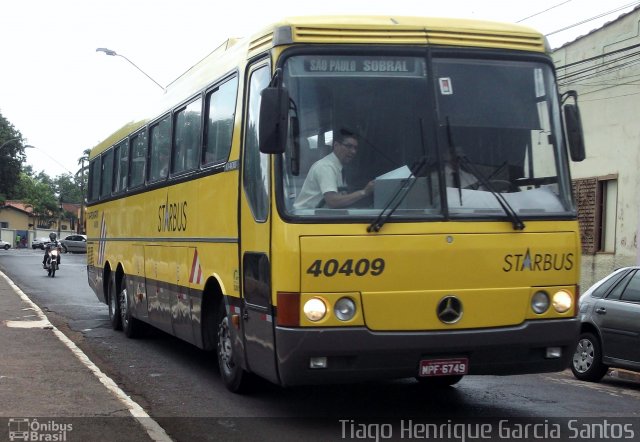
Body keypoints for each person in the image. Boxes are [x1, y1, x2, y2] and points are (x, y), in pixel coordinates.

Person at [294, 129, 374, 209]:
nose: (353, 151)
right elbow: (333, 201)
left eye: (355, 148)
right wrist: (364, 192)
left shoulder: (340, 167)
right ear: (336, 145)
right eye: (349, 146)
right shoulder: (326, 167)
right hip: (305, 218)